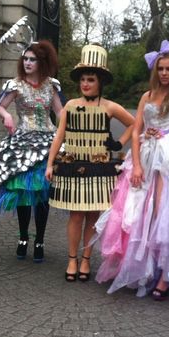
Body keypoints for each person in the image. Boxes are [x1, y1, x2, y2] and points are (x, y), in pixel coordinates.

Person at [94, 41, 169, 299]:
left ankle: (165, 276)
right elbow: (136, 131)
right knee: (139, 211)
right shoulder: (146, 96)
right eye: (161, 69)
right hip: (144, 156)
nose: (165, 73)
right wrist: (135, 164)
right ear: (155, 70)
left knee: (164, 212)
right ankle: (142, 267)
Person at [45, 43, 134, 282]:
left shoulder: (110, 107)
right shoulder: (70, 106)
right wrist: (50, 163)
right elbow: (59, 136)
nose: (86, 83)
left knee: (93, 216)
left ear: (100, 81)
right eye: (83, 79)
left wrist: (118, 143)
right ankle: (72, 259)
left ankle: (86, 259)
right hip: (74, 166)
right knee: (76, 215)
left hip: (100, 167)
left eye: (91, 79)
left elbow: (135, 124)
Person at [0, 39, 64, 263]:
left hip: (47, 143)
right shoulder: (16, 85)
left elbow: (60, 113)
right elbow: (0, 106)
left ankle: (40, 239)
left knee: (42, 192)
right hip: (22, 141)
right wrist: (7, 116)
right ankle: (23, 237)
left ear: (42, 61)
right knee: (23, 192)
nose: (28, 63)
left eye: (32, 59)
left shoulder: (51, 85)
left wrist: (68, 132)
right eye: (25, 58)